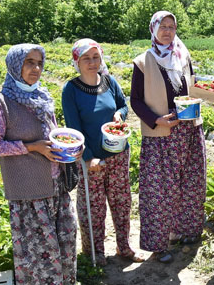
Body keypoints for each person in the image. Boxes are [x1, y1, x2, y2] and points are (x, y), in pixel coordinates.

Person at [0, 44, 79, 284]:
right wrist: (31, 147)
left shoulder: (42, 96)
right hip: (29, 194)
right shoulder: (1, 103)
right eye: (29, 62)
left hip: (57, 187)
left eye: (39, 63)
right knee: (39, 258)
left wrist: (71, 148)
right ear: (15, 65)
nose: (35, 68)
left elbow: (53, 134)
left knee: (65, 247)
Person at [131, 11, 207, 263]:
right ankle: (158, 244)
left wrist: (196, 101)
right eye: (162, 26)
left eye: (171, 26)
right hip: (162, 134)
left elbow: (192, 86)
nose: (167, 31)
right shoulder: (144, 61)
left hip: (188, 131)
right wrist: (156, 120)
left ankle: (185, 231)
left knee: (190, 183)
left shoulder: (183, 56)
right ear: (153, 28)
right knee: (159, 191)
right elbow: (135, 100)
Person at [61, 39, 144, 265]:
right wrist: (88, 158)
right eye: (86, 58)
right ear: (77, 61)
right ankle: (94, 252)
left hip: (118, 152)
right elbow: (73, 128)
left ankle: (124, 247)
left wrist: (120, 115)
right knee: (93, 207)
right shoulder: (71, 90)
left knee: (122, 202)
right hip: (92, 159)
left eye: (95, 57)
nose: (92, 62)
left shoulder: (109, 81)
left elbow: (123, 105)